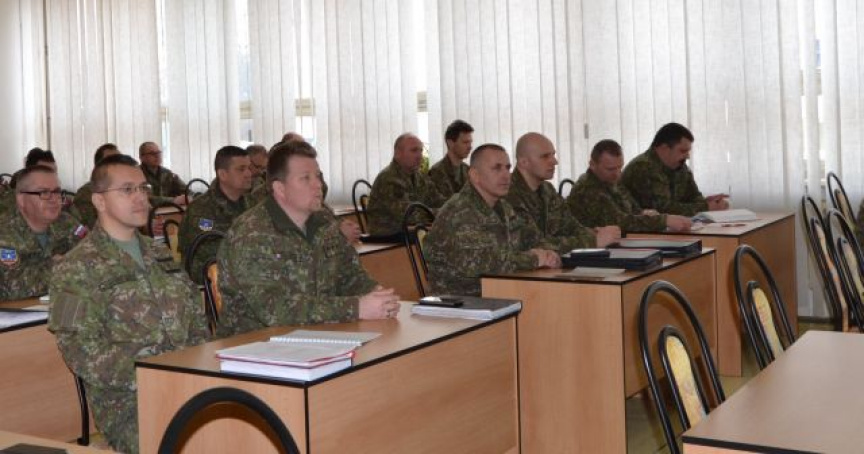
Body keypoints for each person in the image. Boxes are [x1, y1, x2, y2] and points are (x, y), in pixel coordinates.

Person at [48, 154, 209, 454]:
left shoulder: (158, 253)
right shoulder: (75, 268)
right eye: (127, 190)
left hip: (189, 384)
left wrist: (198, 371)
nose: (140, 198)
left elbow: (197, 321)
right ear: (99, 201)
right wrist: (156, 373)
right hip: (128, 401)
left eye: (143, 188)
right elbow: (80, 351)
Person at [217, 140, 400, 336]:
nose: (318, 185)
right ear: (280, 188)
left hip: (317, 333)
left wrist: (378, 295)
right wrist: (356, 308)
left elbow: (351, 275)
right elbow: (274, 309)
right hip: (255, 343)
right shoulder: (251, 233)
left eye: (318, 176)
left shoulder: (324, 223)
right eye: (305, 178)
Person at [424, 143, 561, 296]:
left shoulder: (503, 207)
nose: (506, 175)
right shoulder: (460, 212)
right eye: (497, 168)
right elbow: (482, 264)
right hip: (460, 301)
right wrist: (534, 259)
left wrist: (549, 254)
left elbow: (532, 239)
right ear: (475, 175)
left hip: (498, 292)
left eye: (507, 168)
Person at [506, 132, 620, 252]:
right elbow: (533, 245)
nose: (554, 161)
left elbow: (571, 226)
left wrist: (595, 233)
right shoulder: (508, 193)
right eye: (545, 156)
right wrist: (593, 241)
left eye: (553, 155)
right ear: (524, 162)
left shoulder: (547, 190)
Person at [0, 166, 87, 300]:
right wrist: (59, 266)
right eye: (44, 192)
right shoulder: (4, 232)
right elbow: (10, 287)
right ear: (21, 199)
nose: (54, 199)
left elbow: (95, 260)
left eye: (57, 192)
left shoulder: (68, 223)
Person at [569, 139, 692, 232]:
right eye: (610, 169)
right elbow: (621, 223)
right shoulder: (587, 189)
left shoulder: (611, 180)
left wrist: (645, 213)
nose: (617, 174)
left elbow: (633, 209)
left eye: (620, 167)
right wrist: (664, 220)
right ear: (592, 165)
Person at [178, 146, 253, 284]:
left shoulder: (253, 203)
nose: (248, 173)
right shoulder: (201, 209)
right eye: (241, 169)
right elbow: (205, 252)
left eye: (249, 168)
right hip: (209, 279)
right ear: (223, 174)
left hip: (246, 272)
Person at [620, 122, 729, 216]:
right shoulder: (643, 167)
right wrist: (705, 207)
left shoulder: (680, 166)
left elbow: (694, 197)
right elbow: (663, 210)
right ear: (664, 148)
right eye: (683, 151)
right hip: (641, 232)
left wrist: (710, 203)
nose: (688, 156)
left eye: (688, 151)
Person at [366, 133, 446, 237]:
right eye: (414, 150)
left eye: (420, 151)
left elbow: (438, 200)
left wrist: (454, 207)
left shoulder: (419, 177)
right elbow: (410, 215)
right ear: (397, 154)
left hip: (410, 231)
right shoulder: (389, 179)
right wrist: (444, 212)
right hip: (388, 235)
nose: (419, 156)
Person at [72, 143, 121, 227]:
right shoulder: (86, 193)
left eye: (119, 160)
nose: (118, 164)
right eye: (111, 161)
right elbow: (93, 227)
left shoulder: (128, 188)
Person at [428, 119, 473, 199]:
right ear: (450, 143)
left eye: (470, 142)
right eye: (465, 142)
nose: (470, 147)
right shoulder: (437, 172)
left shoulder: (468, 170)